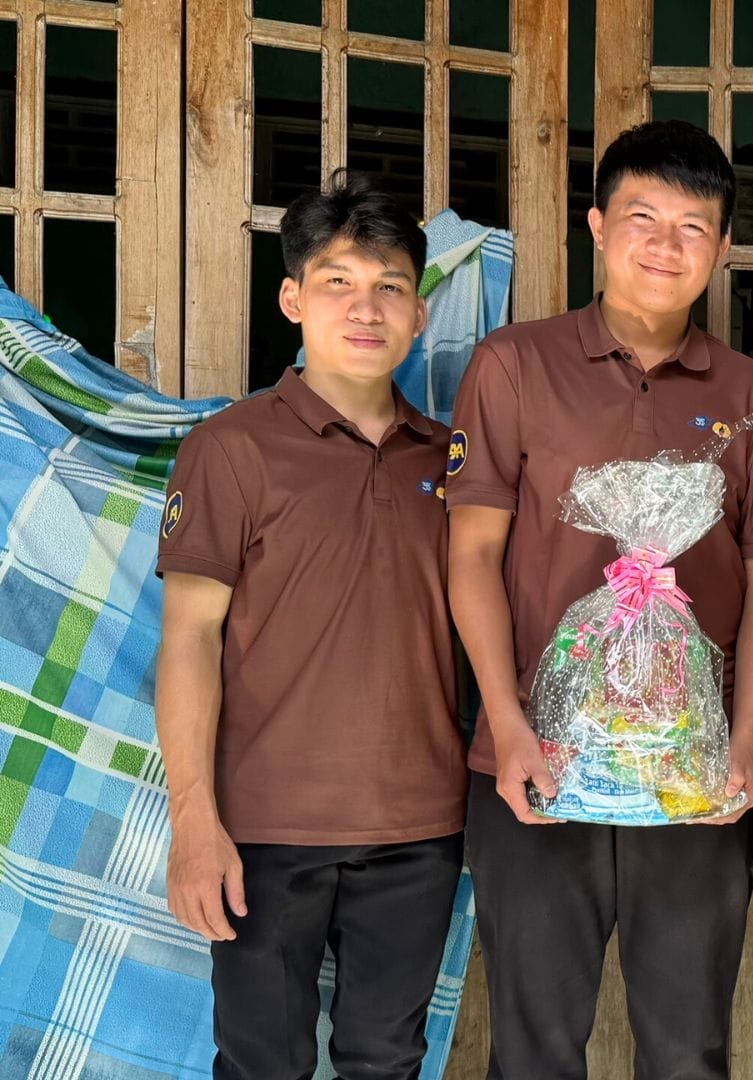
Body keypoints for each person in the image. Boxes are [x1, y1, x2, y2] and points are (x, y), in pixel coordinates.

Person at [445, 120, 753, 1078]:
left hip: (694, 769)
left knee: (689, 1047)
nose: (665, 245)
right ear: (598, 226)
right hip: (539, 761)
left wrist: (742, 740)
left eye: (693, 227)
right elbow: (472, 553)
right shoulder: (513, 366)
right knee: (530, 1048)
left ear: (722, 247)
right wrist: (507, 727)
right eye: (643, 218)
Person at [156, 169, 464, 1079]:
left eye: (390, 286)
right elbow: (189, 640)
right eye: (337, 281)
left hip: (419, 825)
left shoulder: (454, 462)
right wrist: (194, 823)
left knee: (387, 1060)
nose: (365, 308)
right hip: (264, 828)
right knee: (262, 1063)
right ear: (292, 299)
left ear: (418, 314)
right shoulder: (231, 449)